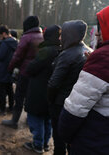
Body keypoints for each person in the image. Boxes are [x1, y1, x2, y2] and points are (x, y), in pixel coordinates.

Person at [58, 6, 109, 155]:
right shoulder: (92, 54)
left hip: (94, 141)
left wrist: (65, 134)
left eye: (101, 26)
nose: (98, 33)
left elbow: (75, 108)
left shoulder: (102, 58)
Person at [47, 20, 92, 155]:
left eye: (63, 34)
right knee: (74, 140)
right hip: (81, 104)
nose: (60, 38)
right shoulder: (89, 51)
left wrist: (50, 100)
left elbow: (54, 83)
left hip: (61, 104)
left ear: (70, 35)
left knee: (59, 139)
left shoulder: (67, 54)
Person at [23, 25, 62, 153]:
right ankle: (45, 143)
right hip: (52, 91)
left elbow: (32, 68)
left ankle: (38, 144)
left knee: (36, 117)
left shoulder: (46, 50)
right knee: (47, 119)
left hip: (39, 90)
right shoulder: (61, 50)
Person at [2, 16, 44, 129]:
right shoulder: (42, 36)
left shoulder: (26, 37)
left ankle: (14, 121)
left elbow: (17, 56)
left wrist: (10, 68)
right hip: (38, 72)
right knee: (31, 97)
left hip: (25, 72)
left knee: (19, 96)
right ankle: (29, 120)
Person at [0, 25, 17, 115]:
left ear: (3, 34)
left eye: (0, 35)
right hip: (10, 69)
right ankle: (11, 107)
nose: (0, 38)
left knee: (1, 91)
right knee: (10, 90)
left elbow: (1, 56)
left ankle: (2, 109)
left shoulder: (5, 43)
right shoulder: (15, 42)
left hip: (2, 69)